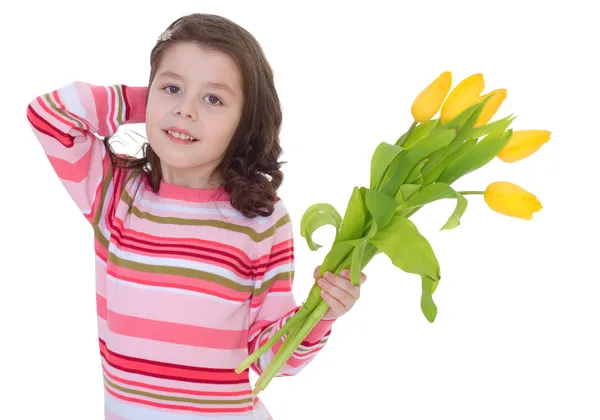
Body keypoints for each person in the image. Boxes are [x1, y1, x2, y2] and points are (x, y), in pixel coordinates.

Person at [26, 13, 367, 420]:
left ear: (246, 122)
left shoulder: (261, 220)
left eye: (213, 99)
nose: (185, 110)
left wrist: (322, 314)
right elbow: (49, 115)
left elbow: (273, 358)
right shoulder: (115, 193)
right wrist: (150, 103)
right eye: (172, 88)